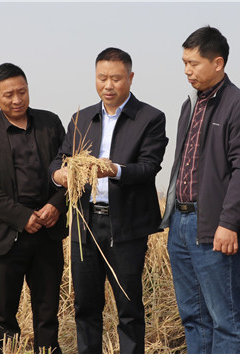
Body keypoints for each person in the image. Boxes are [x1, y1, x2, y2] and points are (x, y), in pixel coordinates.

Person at [50, 47, 168, 354]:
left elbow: (148, 167)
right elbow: (59, 160)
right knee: (85, 307)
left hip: (126, 227)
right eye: (102, 78)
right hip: (85, 227)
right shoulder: (81, 118)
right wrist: (60, 176)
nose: (108, 85)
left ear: (130, 77)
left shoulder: (150, 118)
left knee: (129, 309)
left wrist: (114, 169)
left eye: (116, 78)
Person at [160, 27, 240, 353]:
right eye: (184, 63)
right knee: (193, 316)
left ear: (218, 63)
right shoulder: (188, 106)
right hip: (180, 224)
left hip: (215, 226)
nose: (187, 70)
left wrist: (229, 223)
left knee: (224, 318)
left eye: (194, 63)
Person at [0, 63, 67, 353]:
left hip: (48, 231)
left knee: (47, 310)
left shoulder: (51, 124)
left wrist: (55, 205)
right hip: (7, 236)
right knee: (3, 314)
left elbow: (69, 169)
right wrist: (22, 216)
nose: (17, 100)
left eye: (22, 92)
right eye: (9, 95)